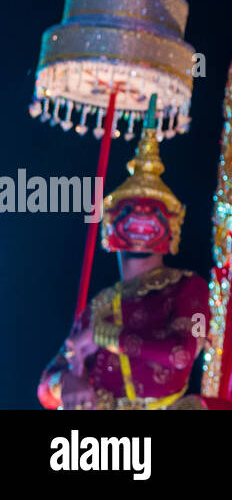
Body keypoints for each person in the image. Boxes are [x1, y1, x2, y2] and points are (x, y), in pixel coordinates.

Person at [38, 96, 209, 410]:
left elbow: (183, 352)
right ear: (109, 225)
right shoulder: (100, 305)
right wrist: (67, 384)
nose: (140, 225)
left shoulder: (189, 288)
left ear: (172, 227)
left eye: (151, 214)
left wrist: (105, 336)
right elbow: (46, 385)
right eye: (130, 214)